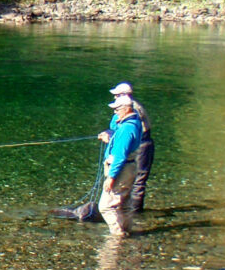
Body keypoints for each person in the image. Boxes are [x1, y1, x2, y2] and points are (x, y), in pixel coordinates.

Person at [52, 82, 154, 221]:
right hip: (134, 144)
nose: (114, 98)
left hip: (142, 145)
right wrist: (110, 134)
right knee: (129, 182)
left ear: (124, 96)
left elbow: (123, 143)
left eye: (117, 95)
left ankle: (133, 213)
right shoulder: (125, 110)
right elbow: (114, 125)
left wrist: (111, 176)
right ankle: (126, 215)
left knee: (138, 180)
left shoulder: (133, 110)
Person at [98, 95, 143, 237]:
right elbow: (115, 129)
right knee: (123, 204)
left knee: (105, 207)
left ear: (126, 109)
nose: (115, 112)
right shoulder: (135, 122)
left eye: (117, 109)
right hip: (130, 168)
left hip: (121, 170)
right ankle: (127, 230)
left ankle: (118, 236)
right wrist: (110, 137)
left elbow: (120, 156)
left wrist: (111, 177)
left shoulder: (126, 129)